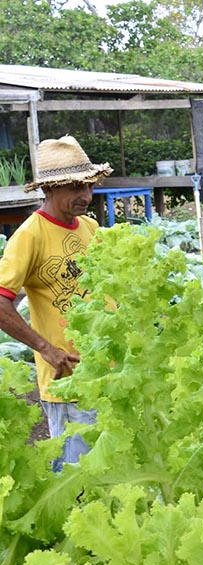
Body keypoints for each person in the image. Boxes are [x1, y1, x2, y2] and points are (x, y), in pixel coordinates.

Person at [0, 135, 112, 472]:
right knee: (75, 479)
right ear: (49, 190)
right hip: (69, 381)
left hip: (110, 376)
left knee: (113, 474)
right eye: (76, 187)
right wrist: (46, 349)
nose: (86, 196)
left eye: (89, 186)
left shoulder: (91, 228)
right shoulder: (30, 235)